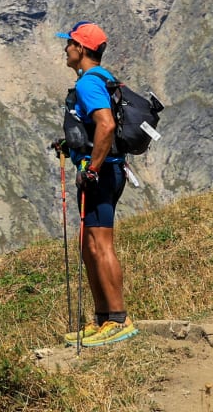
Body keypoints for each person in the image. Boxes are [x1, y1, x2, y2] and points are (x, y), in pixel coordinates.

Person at [58, 20, 137, 347]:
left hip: (101, 175)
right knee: (90, 245)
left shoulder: (90, 83)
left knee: (100, 245)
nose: (65, 49)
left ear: (81, 49)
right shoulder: (101, 78)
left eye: (69, 44)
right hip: (105, 170)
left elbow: (104, 126)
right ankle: (103, 318)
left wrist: (92, 167)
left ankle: (118, 319)